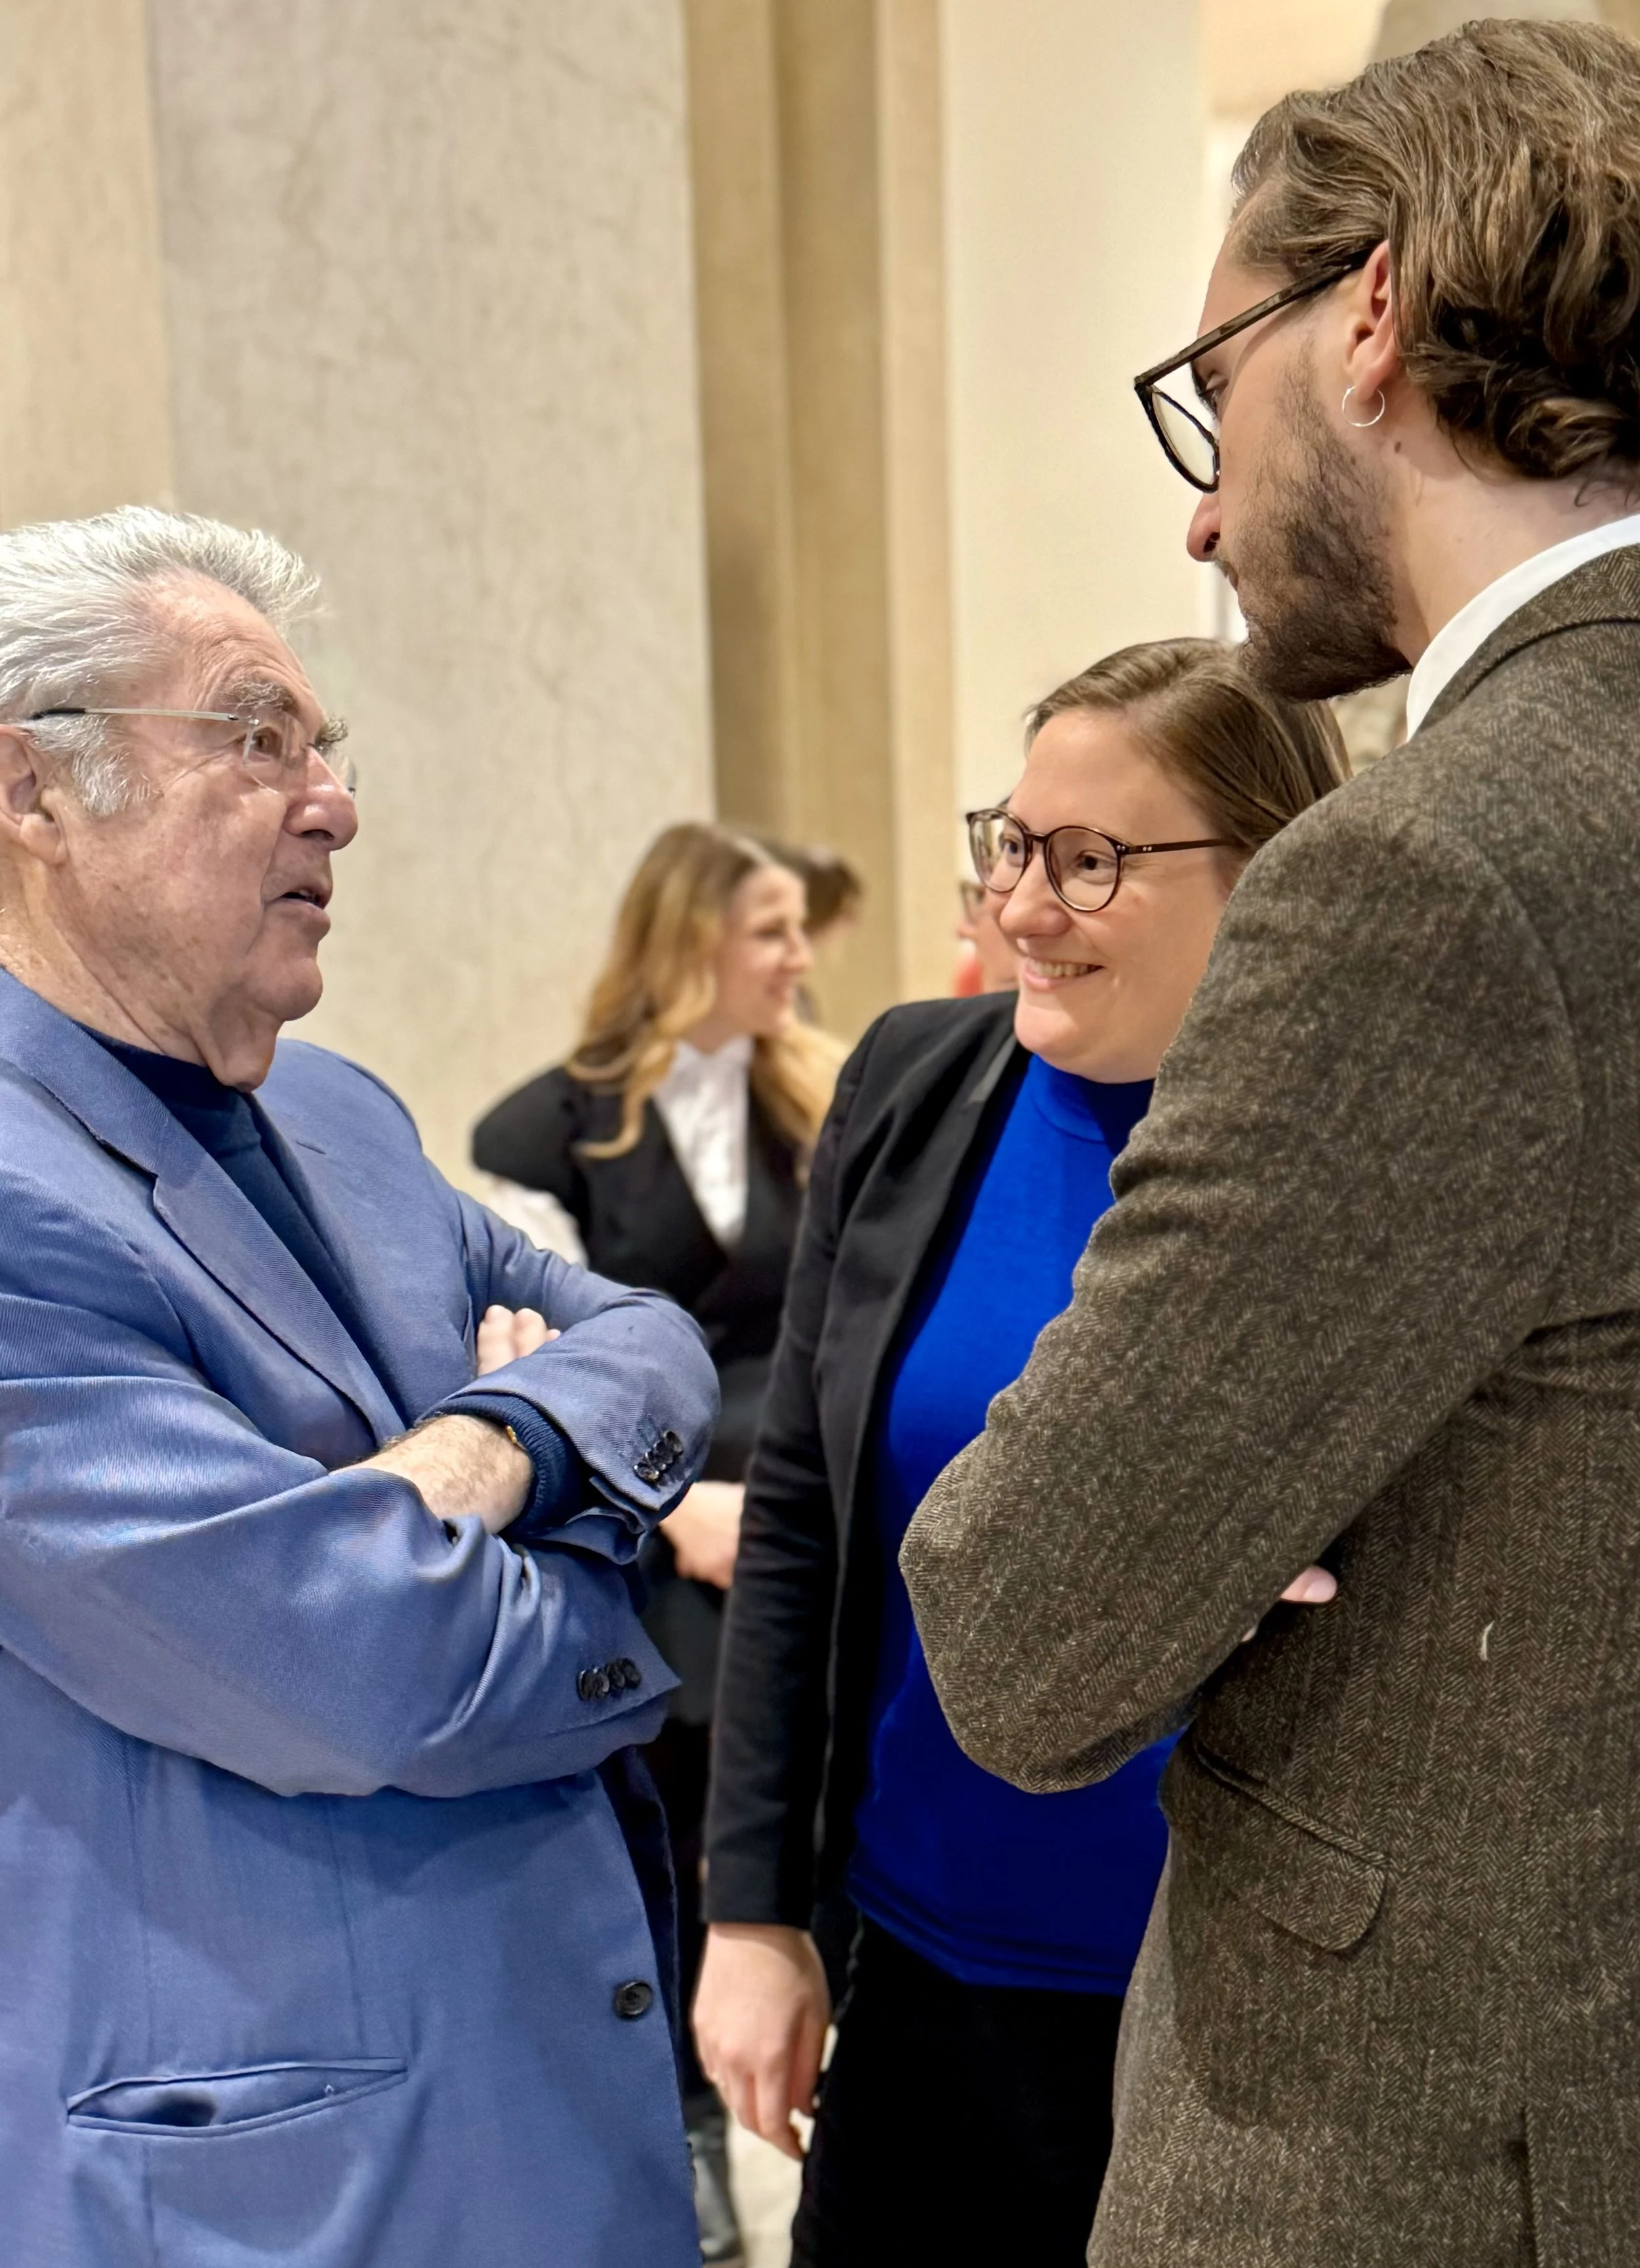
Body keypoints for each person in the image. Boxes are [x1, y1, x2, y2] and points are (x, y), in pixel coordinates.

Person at [900, 22, 1640, 2265]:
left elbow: (1026, 1624)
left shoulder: (1436, 868)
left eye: (1210, 387)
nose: (1205, 510)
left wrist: (1238, 1519)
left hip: (1440, 2129)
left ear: (1373, 315)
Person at [0, 506, 721, 2268]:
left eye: (325, 749)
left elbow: (649, 1342)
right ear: (30, 792)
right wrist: (611, 1542)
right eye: (256, 738)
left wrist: (487, 1448)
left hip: (553, 2108)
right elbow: (359, 1667)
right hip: (285, 2189)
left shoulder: (340, 1113)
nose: (332, 799)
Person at [694, 639, 1345, 2267]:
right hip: (918, 1968)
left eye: (1092, 861)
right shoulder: (917, 1081)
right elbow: (799, 1511)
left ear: (1270, 872)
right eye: (1012, 843)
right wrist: (752, 1905)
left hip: (1227, 2019)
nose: (1022, 909)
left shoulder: (1351, 1149)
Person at [471, 822, 841, 2261]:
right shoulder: (539, 1132)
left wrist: (797, 1504)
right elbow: (528, 1363)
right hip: (640, 1521)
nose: (798, 959)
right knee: (685, 1773)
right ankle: (681, 2108)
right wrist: (673, 1508)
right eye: (770, 931)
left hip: (800, 1505)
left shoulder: (828, 1098)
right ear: (688, 942)